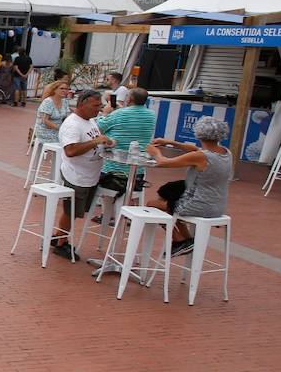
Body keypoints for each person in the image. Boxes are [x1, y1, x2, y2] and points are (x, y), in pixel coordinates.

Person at [145, 117, 232, 253]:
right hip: (218, 205)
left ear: (198, 134)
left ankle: (179, 239)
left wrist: (155, 152)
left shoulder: (202, 157)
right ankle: (187, 240)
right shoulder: (225, 152)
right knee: (166, 193)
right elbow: (194, 149)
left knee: (152, 204)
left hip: (198, 205)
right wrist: (169, 142)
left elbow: (163, 162)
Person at [52, 90, 116, 261]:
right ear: (82, 104)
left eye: (100, 105)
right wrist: (95, 141)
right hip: (76, 175)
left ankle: (58, 236)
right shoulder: (73, 124)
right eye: (95, 106)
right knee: (71, 211)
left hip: (90, 175)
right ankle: (61, 243)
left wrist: (105, 143)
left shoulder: (90, 121)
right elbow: (71, 150)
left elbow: (93, 141)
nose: (99, 109)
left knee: (77, 211)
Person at [96, 86, 155, 196]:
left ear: (129, 99)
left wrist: (105, 113)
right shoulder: (152, 115)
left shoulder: (119, 114)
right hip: (138, 173)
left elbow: (99, 127)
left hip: (112, 171)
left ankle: (106, 212)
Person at [33, 80, 71, 146]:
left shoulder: (65, 101)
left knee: (73, 138)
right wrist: (60, 129)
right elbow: (45, 121)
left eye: (66, 89)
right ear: (55, 90)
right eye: (61, 88)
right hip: (45, 130)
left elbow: (67, 117)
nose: (64, 91)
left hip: (59, 129)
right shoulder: (48, 101)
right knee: (66, 142)